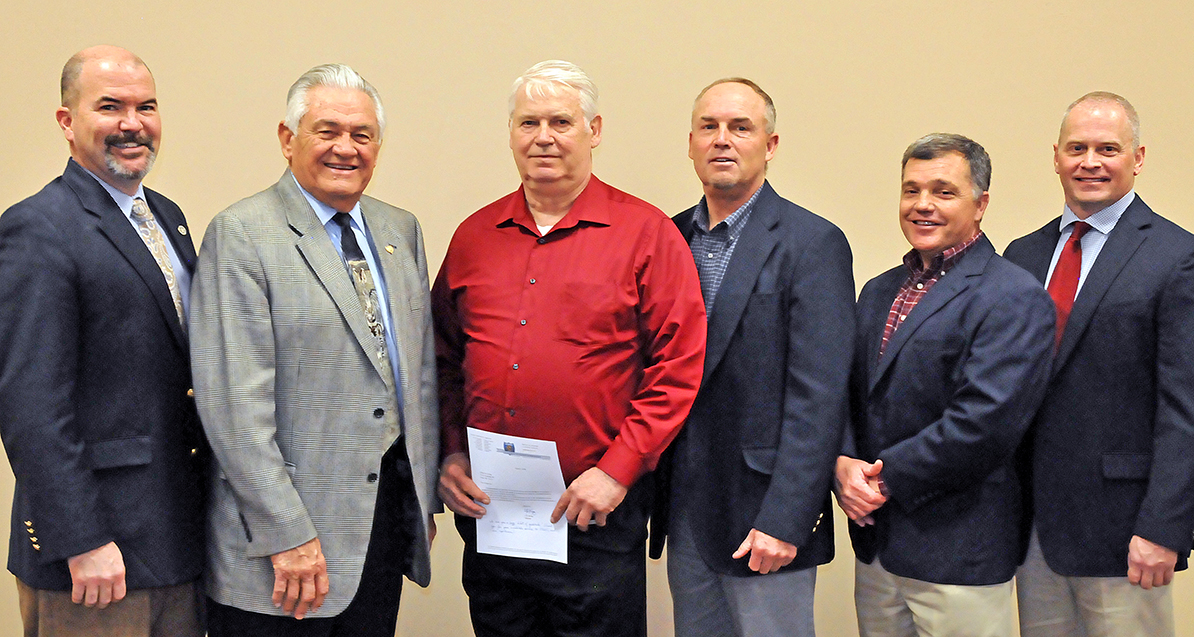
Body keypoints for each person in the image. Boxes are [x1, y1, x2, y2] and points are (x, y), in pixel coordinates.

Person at [433, 59, 706, 637]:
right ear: (511, 134)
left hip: (595, 511)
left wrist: (618, 469)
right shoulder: (474, 237)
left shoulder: (646, 233)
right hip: (493, 516)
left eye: (561, 121)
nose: (544, 137)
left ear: (594, 130)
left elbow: (677, 366)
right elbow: (444, 360)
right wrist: (452, 451)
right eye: (528, 122)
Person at [189, 63, 439, 636]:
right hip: (283, 545)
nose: (345, 149)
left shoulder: (401, 231)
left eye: (362, 135)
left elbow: (416, 374)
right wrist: (287, 533)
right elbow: (233, 408)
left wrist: (421, 498)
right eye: (327, 131)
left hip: (379, 528)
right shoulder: (243, 234)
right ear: (287, 139)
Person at [0, 45, 205, 636]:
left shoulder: (167, 217)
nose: (132, 123)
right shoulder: (38, 228)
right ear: (67, 122)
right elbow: (30, 405)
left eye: (147, 106)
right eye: (110, 106)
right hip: (94, 559)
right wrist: (81, 538)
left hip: (174, 537)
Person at [647, 78, 855, 637]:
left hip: (765, 514)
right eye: (709, 128)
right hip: (686, 508)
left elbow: (821, 396)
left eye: (740, 128)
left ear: (771, 144)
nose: (723, 140)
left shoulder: (813, 242)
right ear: (690, 143)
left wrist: (788, 517)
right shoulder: (666, 237)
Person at [835, 133, 1055, 637]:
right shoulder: (878, 291)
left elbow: (984, 425)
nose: (922, 205)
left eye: (943, 191)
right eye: (911, 191)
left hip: (960, 550)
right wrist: (841, 464)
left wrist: (882, 480)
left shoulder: (1013, 296)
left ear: (980, 204)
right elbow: (846, 394)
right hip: (876, 547)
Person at [1004, 92, 1194, 637]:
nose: (1091, 162)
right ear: (1056, 156)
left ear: (1137, 157)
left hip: (1126, 534)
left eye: (1108, 148)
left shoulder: (1176, 256)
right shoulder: (1022, 255)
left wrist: (1165, 527)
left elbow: (1185, 408)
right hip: (1032, 531)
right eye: (1077, 148)